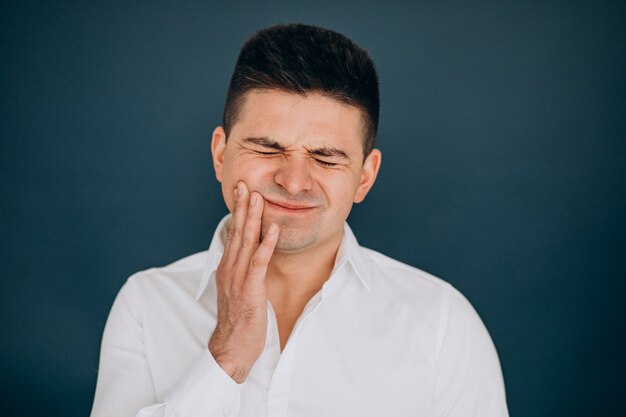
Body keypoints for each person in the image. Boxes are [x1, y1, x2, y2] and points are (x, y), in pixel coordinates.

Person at [90, 23, 509, 417]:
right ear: (221, 155)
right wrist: (227, 356)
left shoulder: (442, 324)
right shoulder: (146, 304)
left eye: (326, 157)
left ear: (365, 177)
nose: (293, 182)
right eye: (268, 149)